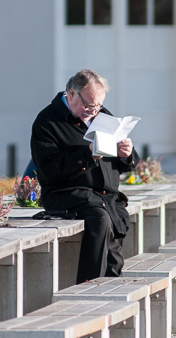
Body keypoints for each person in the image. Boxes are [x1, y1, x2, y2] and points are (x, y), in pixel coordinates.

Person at [30, 69, 139, 284]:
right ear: (71, 94)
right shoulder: (47, 122)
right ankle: (89, 288)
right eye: (88, 105)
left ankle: (111, 296)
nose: (93, 111)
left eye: (98, 105)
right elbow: (49, 169)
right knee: (100, 220)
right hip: (66, 193)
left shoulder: (102, 116)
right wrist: (87, 154)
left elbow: (124, 165)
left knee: (115, 237)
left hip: (105, 197)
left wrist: (127, 154)